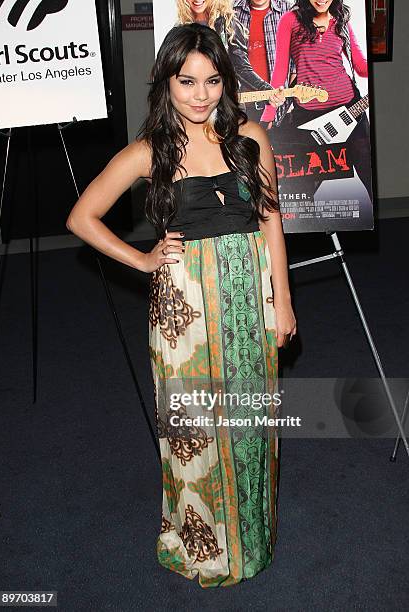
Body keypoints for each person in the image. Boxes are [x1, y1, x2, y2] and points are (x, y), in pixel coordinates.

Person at [66, 22, 296, 588]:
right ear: (166, 81)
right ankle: (201, 546)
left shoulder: (250, 137)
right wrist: (143, 261)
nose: (201, 94)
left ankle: (250, 541)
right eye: (187, 80)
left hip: (248, 296)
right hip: (183, 306)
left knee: (248, 423)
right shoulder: (150, 150)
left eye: (213, 80)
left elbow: (270, 221)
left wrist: (282, 301)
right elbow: (81, 217)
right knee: (192, 430)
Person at [259, 0, 372, 198]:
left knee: (369, 174)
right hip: (308, 118)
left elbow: (361, 67)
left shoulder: (341, 20)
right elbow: (279, 73)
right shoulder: (290, 20)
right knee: (303, 190)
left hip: (350, 111)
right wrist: (267, 118)